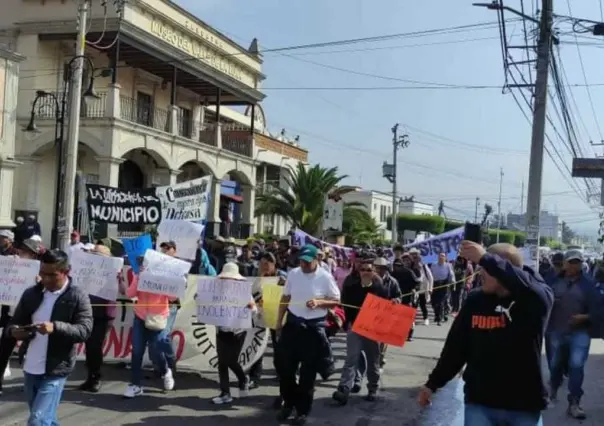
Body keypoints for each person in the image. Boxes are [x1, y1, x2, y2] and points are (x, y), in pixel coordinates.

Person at [418, 241, 553, 426]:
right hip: (480, 402)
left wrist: (485, 258)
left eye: (486, 268)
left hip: (524, 405)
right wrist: (432, 384)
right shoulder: (475, 300)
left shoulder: (536, 300)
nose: (480, 273)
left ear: (506, 271)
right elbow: (456, 348)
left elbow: (531, 288)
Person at [9, 249, 93, 424]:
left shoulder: (77, 296)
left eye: (52, 275)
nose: (46, 279)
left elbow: (84, 330)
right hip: (30, 366)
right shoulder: (31, 294)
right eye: (42, 273)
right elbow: (15, 323)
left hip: (56, 368)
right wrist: (15, 331)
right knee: (46, 420)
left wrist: (55, 327)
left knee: (37, 420)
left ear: (66, 271)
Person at [275, 244, 340, 425]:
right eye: (301, 260)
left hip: (312, 330)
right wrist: (279, 322)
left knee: (307, 374)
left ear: (316, 260)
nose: (303, 264)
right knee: (285, 369)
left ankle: (302, 410)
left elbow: (336, 300)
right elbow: (285, 298)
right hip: (293, 325)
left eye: (307, 261)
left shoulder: (325, 277)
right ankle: (288, 403)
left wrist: (320, 302)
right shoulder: (294, 274)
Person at [546, 249, 602, 419]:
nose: (573, 265)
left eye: (576, 262)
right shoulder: (553, 282)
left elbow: (599, 310)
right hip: (556, 330)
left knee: (576, 365)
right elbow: (541, 300)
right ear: (564, 263)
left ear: (581, 264)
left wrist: (585, 317)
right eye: (570, 262)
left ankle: (574, 403)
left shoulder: (589, 285)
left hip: (580, 332)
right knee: (555, 365)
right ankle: (552, 392)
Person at [332, 258, 388, 405]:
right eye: (363, 270)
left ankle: (372, 388)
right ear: (359, 271)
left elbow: (387, 308)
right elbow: (345, 306)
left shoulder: (379, 289)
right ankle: (344, 389)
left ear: (374, 272)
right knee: (351, 358)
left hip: (372, 329)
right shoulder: (351, 287)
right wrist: (347, 324)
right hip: (355, 327)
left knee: (372, 360)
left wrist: (393, 302)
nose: (366, 272)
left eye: (369, 270)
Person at [123, 252, 177, 398]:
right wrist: (138, 278)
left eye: (145, 263)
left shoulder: (164, 277)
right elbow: (130, 293)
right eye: (142, 264)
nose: (143, 266)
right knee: (137, 351)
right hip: (140, 317)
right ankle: (135, 385)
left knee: (156, 349)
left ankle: (166, 371)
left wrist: (171, 282)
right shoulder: (139, 276)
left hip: (158, 318)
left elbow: (173, 297)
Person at [79, 245, 126, 393]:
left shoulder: (114, 271)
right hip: (88, 311)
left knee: (94, 345)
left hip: (104, 314)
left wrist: (119, 279)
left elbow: (124, 291)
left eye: (98, 256)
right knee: (89, 345)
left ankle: (96, 377)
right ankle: (91, 377)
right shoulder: (88, 269)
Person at [0, 238, 43, 395]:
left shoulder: (40, 271)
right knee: (4, 350)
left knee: (29, 353)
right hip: (12, 316)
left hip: (31, 317)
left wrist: (40, 284)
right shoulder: (11, 263)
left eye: (28, 252)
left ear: (34, 255)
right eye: (22, 250)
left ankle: (31, 384)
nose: (23, 253)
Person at [211, 262, 257, 405]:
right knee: (222, 363)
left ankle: (243, 378)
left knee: (230, 360)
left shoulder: (244, 292)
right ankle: (225, 393)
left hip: (237, 331)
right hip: (221, 330)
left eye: (231, 278)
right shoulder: (215, 291)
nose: (228, 281)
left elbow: (254, 310)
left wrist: (251, 307)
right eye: (225, 278)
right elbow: (206, 305)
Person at [410, 248, 433, 325]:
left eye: (416, 255)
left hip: (423, 289)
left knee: (423, 304)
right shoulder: (410, 266)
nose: (414, 257)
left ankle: (426, 318)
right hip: (414, 289)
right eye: (413, 255)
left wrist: (430, 289)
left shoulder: (423, 266)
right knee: (414, 305)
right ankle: (412, 319)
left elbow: (430, 278)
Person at [430, 253, 454, 325]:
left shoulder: (448, 265)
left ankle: (439, 319)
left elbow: (451, 275)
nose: (441, 257)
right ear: (437, 257)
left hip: (444, 284)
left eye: (443, 256)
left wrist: (452, 282)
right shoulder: (433, 265)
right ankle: (438, 315)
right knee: (434, 302)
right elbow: (430, 275)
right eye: (440, 256)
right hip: (435, 284)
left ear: (445, 258)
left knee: (441, 302)